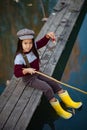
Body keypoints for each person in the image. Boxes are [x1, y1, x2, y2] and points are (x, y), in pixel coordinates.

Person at [14, 28, 82, 119]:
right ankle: (59, 110)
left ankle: (69, 102)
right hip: (29, 79)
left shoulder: (33, 47)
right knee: (47, 88)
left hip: (38, 73)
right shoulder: (19, 57)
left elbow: (42, 42)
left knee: (54, 82)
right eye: (25, 43)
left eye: (30, 43)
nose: (28, 46)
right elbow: (17, 73)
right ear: (20, 43)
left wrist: (47, 36)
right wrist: (26, 70)